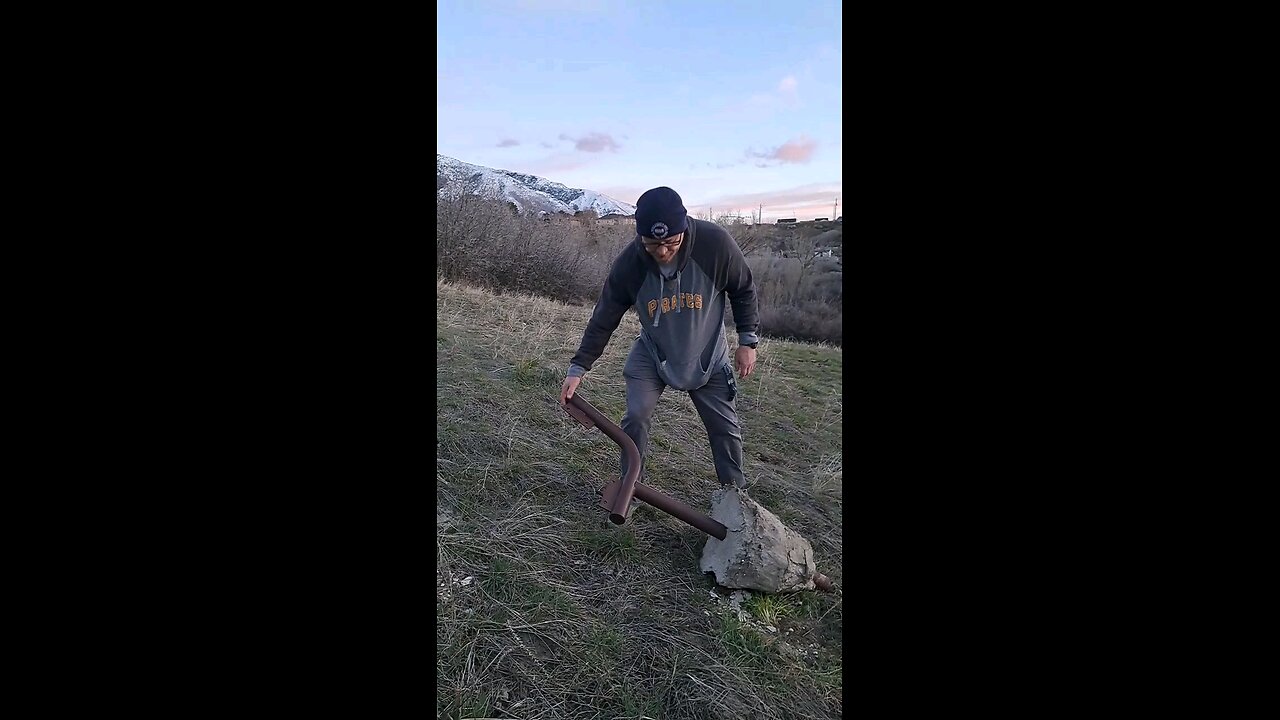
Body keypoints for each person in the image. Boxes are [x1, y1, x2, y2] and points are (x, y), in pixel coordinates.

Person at [559, 186, 760, 492]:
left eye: (671, 243)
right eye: (653, 244)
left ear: (684, 229)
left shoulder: (715, 245)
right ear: (641, 236)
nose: (663, 251)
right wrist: (578, 368)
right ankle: (630, 487)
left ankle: (736, 500)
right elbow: (604, 317)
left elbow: (743, 288)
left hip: (707, 353)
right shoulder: (630, 265)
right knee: (635, 417)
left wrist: (747, 341)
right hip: (653, 352)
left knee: (725, 429)